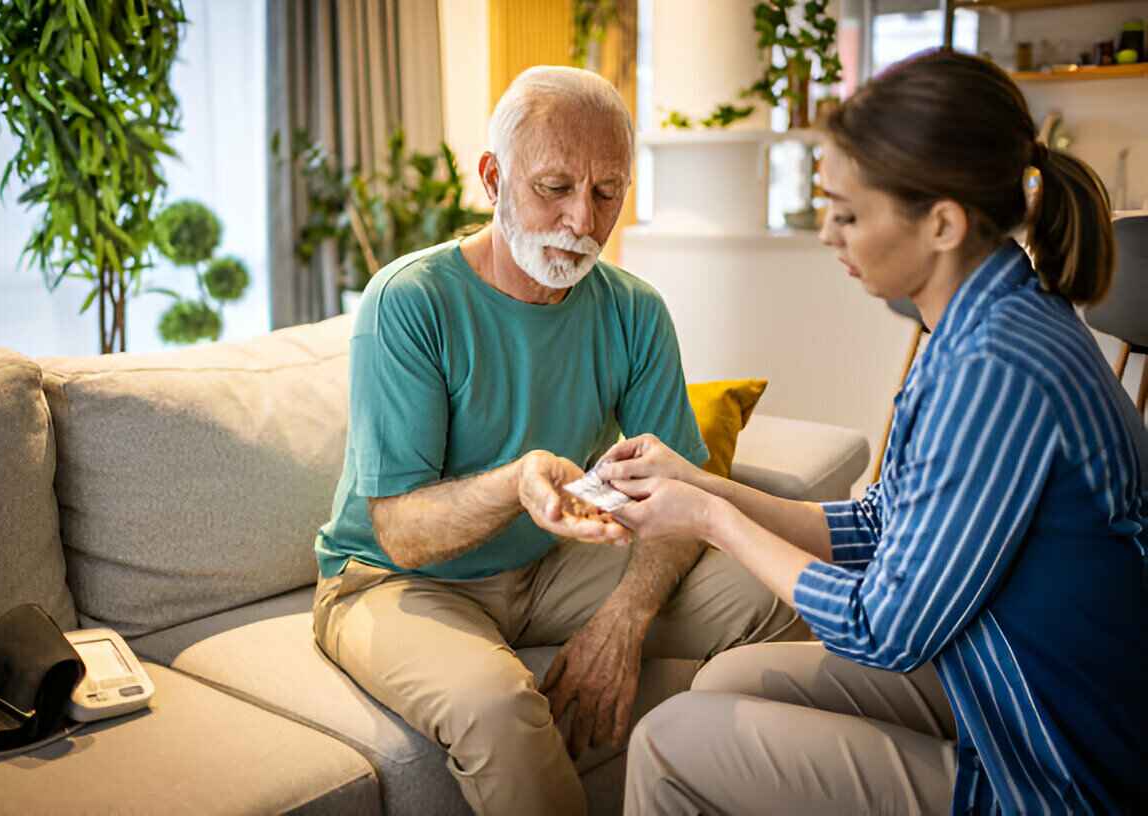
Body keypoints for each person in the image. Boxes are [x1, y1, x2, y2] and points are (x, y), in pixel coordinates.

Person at [609, 50, 1148, 814]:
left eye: (850, 212)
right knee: (723, 678)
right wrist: (698, 481)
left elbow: (883, 627)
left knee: (667, 741)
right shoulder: (981, 322)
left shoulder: (994, 369)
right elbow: (878, 524)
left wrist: (711, 519)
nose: (829, 233)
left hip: (1059, 771)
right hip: (997, 678)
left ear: (942, 223)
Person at [311, 65, 807, 816]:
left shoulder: (634, 311)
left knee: (780, 587)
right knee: (499, 708)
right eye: (554, 187)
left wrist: (626, 616)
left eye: (608, 191)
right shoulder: (411, 302)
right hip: (391, 582)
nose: (583, 219)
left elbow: (672, 494)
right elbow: (401, 532)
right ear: (492, 178)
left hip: (549, 566)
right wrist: (518, 481)